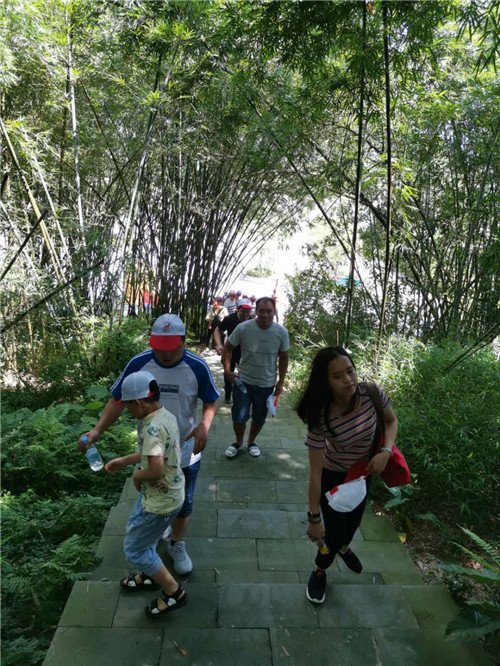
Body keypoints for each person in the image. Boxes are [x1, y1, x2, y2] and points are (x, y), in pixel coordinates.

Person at [79, 313, 219, 575]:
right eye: (159, 347)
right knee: (153, 496)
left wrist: (204, 425)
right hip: (150, 450)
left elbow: (211, 399)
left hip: (185, 451)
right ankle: (156, 534)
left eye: (171, 348)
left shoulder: (197, 366)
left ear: (183, 341)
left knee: (184, 501)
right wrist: (97, 431)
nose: (164, 354)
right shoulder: (139, 363)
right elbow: (118, 400)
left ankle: (176, 543)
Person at [296, 346, 398, 604]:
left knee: (351, 526)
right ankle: (320, 569)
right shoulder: (321, 416)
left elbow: (391, 421)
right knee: (332, 534)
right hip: (332, 478)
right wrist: (314, 518)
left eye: (350, 371)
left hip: (363, 475)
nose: (348, 379)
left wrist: (385, 451)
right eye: (338, 376)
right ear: (326, 382)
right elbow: (315, 473)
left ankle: (343, 546)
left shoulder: (371, 394)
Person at [104, 371, 187, 617]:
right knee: (146, 538)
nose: (128, 411)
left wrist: (136, 475)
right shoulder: (165, 415)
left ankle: (173, 592)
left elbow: (155, 469)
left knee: (134, 549)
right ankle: (152, 573)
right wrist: (125, 460)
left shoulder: (151, 428)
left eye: (128, 406)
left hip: (159, 502)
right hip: (171, 493)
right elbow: (156, 453)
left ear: (138, 402)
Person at [222, 296, 289, 458]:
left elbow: (284, 358)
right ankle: (238, 442)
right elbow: (228, 347)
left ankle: (251, 441)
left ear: (274, 311)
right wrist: (227, 371)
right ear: (256, 311)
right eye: (261, 311)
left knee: (259, 417)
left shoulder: (281, 332)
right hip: (243, 381)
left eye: (269, 311)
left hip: (266, 383)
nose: (265, 315)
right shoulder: (243, 328)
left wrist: (280, 382)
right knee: (239, 416)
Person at [214, 298, 253, 404]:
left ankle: (242, 395)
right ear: (237, 309)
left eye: (248, 311)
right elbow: (218, 330)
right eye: (243, 311)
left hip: (244, 353)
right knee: (228, 373)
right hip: (229, 351)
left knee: (244, 375)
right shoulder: (229, 319)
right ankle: (228, 391)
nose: (246, 314)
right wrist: (219, 345)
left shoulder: (252, 322)